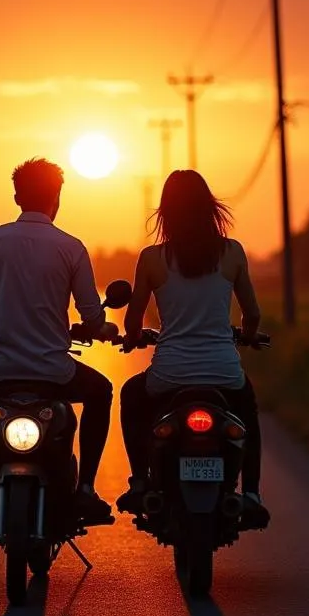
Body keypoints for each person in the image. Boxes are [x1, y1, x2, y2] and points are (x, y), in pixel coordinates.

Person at [0, 157, 118, 523]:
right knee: (100, 392)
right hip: (53, 372)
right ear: (57, 197)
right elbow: (91, 314)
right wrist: (104, 329)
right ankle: (85, 489)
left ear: (17, 196)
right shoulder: (71, 247)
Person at [116, 169, 270, 529]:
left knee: (131, 396)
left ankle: (139, 481)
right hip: (223, 373)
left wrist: (135, 337)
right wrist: (247, 336)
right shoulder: (232, 252)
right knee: (248, 415)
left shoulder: (152, 258)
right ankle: (250, 493)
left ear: (166, 211)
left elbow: (133, 321)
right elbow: (253, 313)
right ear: (209, 207)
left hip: (169, 375)